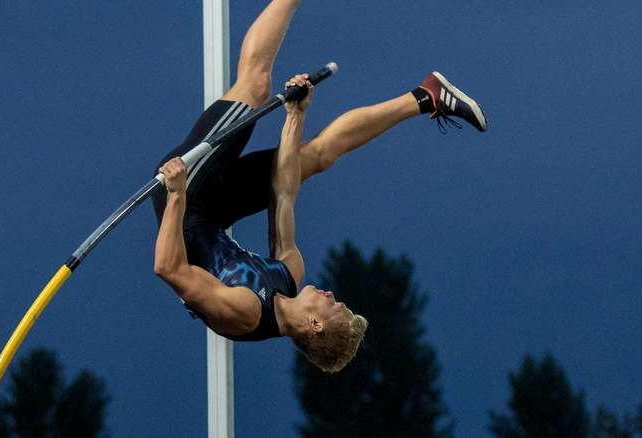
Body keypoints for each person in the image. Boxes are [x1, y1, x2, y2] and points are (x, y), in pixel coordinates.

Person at [152, 0, 487, 373]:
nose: (331, 294)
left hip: (185, 200)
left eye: (334, 305)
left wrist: (178, 193)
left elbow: (170, 268)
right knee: (317, 159)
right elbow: (283, 193)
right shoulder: (290, 273)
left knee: (255, 85)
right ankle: (426, 97)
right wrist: (296, 117)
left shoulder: (245, 313)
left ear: (315, 326)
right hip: (213, 209)